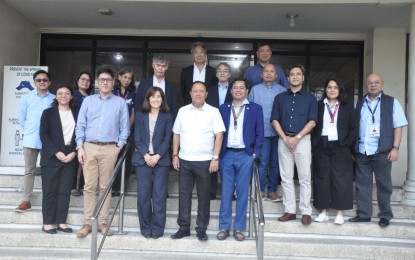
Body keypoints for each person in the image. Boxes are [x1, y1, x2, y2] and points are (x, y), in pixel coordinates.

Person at [75, 67, 130, 237]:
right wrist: (80, 147)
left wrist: (118, 147)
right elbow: (80, 125)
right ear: (97, 83)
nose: (105, 82)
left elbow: (125, 128)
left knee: (105, 187)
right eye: (102, 79)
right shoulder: (88, 101)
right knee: (89, 186)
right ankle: (88, 223)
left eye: (108, 79)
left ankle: (103, 223)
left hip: (110, 148)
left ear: (114, 82)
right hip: (89, 146)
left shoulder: (120, 102)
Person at [349, 73, 407, 227]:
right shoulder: (360, 103)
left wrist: (395, 148)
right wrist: (354, 148)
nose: (373, 85)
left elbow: (398, 126)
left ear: (382, 83)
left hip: (383, 151)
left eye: (376, 82)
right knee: (362, 185)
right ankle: (364, 214)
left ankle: (385, 215)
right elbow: (355, 126)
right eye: (370, 83)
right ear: (366, 85)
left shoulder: (391, 102)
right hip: (362, 151)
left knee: (384, 185)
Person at [171, 81, 225, 241]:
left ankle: (201, 228)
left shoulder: (214, 112)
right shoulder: (182, 111)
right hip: (185, 160)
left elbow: (219, 135)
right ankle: (184, 227)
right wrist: (175, 155)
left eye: (202, 91)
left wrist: (215, 157)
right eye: (195, 91)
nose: (198, 94)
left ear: (206, 94)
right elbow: (176, 134)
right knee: (184, 195)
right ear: (190, 93)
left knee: (203, 196)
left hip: (205, 161)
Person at [217, 78, 263, 241]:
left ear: (247, 91)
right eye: (235, 88)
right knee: (226, 192)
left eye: (241, 88)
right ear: (231, 91)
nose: (238, 90)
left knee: (243, 192)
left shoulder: (255, 109)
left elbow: (259, 133)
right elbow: (217, 132)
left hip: (246, 155)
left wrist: (254, 153)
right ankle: (224, 227)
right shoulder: (223, 108)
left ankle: (239, 228)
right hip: (226, 154)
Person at [270, 64, 317, 225]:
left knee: (304, 178)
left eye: (298, 74)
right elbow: (274, 119)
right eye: (292, 74)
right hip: (284, 140)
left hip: (302, 141)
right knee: (286, 178)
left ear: (303, 78)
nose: (295, 77)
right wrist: (285, 138)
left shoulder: (310, 98)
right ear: (288, 78)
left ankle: (305, 211)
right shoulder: (280, 98)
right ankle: (289, 210)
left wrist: (296, 138)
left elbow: (312, 121)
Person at [311, 78, 357, 225]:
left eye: (335, 87)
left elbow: (354, 128)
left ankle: (340, 212)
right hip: (322, 144)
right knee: (321, 178)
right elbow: (312, 125)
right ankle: (323, 211)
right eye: (329, 87)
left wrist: (347, 143)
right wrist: (314, 142)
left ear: (340, 90)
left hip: (341, 145)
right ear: (325, 90)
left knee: (341, 179)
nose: (332, 90)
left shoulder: (347, 106)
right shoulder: (318, 105)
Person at [132, 87, 173, 239]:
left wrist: (157, 156)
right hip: (142, 161)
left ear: (162, 99)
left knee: (159, 196)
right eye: (153, 96)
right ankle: (145, 227)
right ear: (148, 99)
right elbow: (137, 138)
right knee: (143, 196)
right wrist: (145, 155)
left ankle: (157, 228)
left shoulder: (167, 116)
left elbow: (168, 138)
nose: (156, 99)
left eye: (159, 97)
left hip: (161, 162)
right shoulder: (141, 115)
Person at [39, 83, 78, 234]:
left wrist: (74, 152)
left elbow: (81, 134)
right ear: (55, 96)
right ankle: (48, 222)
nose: (63, 96)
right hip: (52, 157)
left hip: (70, 156)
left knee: (65, 191)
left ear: (71, 96)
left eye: (67, 93)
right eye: (60, 93)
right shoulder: (48, 113)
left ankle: (62, 221)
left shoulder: (77, 112)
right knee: (50, 190)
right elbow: (44, 134)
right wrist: (56, 152)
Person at [15, 70, 55, 213]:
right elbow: (22, 119)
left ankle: (49, 200)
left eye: (45, 80)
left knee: (48, 171)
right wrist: (31, 131)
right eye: (39, 80)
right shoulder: (26, 98)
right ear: (34, 82)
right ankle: (26, 200)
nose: (42, 82)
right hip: (31, 140)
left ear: (49, 82)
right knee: (29, 171)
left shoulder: (54, 99)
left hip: (49, 142)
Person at [249, 64, 286, 201]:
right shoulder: (254, 90)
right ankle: (260, 190)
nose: (269, 74)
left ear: (276, 75)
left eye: (272, 72)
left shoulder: (282, 90)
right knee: (263, 162)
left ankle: (272, 190)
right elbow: (250, 111)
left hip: (279, 133)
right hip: (261, 132)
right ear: (261, 74)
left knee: (276, 163)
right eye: (266, 71)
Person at [205, 62, 233, 200]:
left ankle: (228, 191)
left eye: (225, 70)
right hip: (212, 129)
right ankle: (211, 190)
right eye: (220, 71)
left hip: (231, 128)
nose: (222, 73)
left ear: (229, 74)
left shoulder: (235, 89)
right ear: (216, 74)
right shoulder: (209, 90)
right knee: (213, 156)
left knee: (227, 160)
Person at [111, 69, 136, 197]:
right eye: (124, 77)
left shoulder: (132, 94)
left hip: (127, 133)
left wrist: (126, 130)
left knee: (126, 162)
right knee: (113, 161)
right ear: (119, 77)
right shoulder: (112, 93)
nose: (127, 80)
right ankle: (112, 187)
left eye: (129, 78)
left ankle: (121, 188)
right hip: (113, 134)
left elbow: (133, 113)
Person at [135, 54, 179, 121]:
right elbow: (137, 103)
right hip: (145, 122)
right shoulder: (143, 84)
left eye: (163, 66)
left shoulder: (171, 87)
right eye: (158, 65)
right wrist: (142, 120)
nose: (160, 69)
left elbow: (175, 107)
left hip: (165, 124)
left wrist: (168, 122)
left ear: (167, 67)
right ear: (153, 65)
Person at [71, 71, 94, 197]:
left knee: (87, 161)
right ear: (78, 80)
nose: (85, 82)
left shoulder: (92, 97)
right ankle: (73, 186)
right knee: (75, 160)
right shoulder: (72, 95)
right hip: (74, 131)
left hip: (89, 132)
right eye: (83, 79)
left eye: (88, 80)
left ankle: (84, 186)